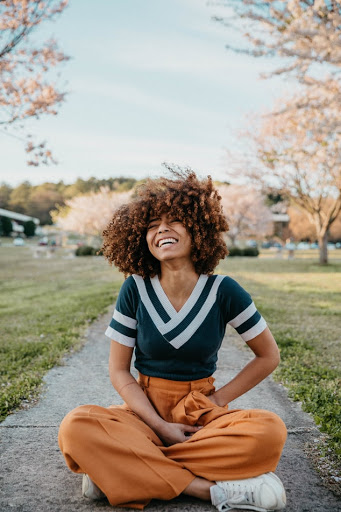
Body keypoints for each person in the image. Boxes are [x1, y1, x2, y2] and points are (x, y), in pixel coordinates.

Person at [58, 169, 287, 511]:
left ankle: (122, 470)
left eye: (174, 220)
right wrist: (161, 427)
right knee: (76, 426)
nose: (162, 228)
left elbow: (268, 356)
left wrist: (218, 401)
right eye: (152, 225)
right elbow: (119, 372)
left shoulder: (224, 291)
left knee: (269, 431)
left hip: (201, 412)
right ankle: (206, 490)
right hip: (144, 412)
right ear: (141, 238)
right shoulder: (134, 288)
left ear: (199, 228)